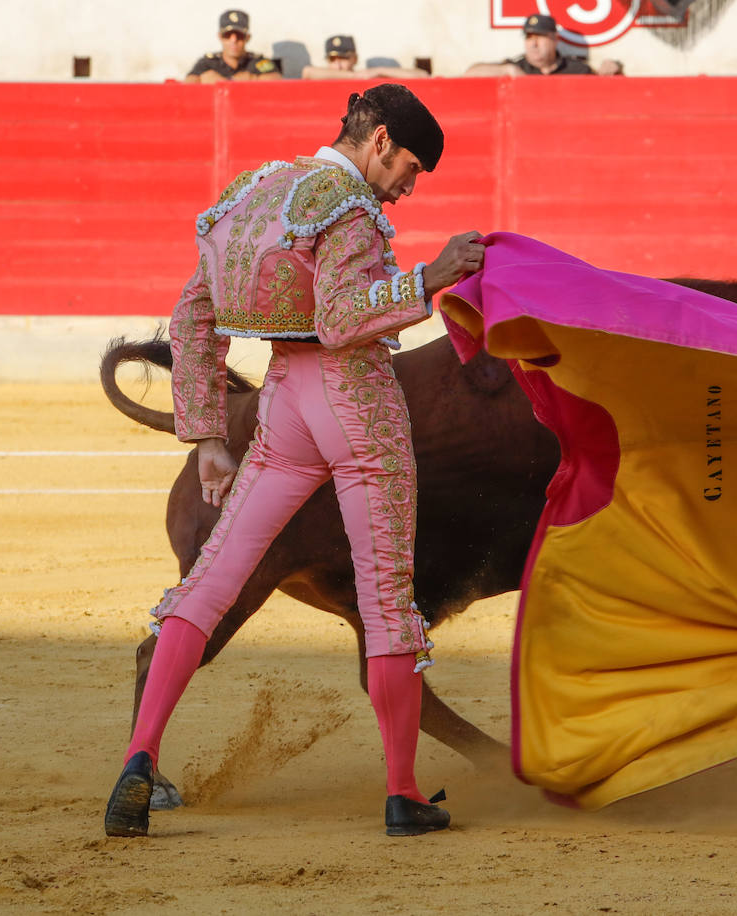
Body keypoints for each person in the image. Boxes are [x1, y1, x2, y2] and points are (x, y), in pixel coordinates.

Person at [103, 84, 485, 839]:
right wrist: (432, 278)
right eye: (408, 167)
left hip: (282, 407)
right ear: (378, 142)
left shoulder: (254, 191)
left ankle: (140, 755)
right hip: (356, 405)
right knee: (385, 601)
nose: (408, 187)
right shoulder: (348, 206)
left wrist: (209, 435)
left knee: (210, 582)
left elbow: (193, 315)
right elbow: (344, 318)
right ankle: (403, 794)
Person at [464, 13, 621, 77]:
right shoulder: (518, 66)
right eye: (529, 37)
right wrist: (508, 69)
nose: (533, 44)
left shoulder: (576, 69)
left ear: (555, 39)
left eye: (539, 36)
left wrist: (613, 69)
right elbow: (470, 73)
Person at [184, 9, 282, 82]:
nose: (233, 40)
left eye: (239, 35)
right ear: (220, 36)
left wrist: (250, 78)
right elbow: (188, 83)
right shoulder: (208, 63)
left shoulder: (259, 62)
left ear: (247, 37)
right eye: (227, 35)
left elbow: (276, 81)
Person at [301, 34, 429, 80]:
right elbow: (308, 72)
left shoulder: (367, 75)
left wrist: (379, 71)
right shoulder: (323, 76)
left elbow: (422, 75)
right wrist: (353, 76)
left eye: (344, 58)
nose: (338, 65)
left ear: (355, 59)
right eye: (333, 60)